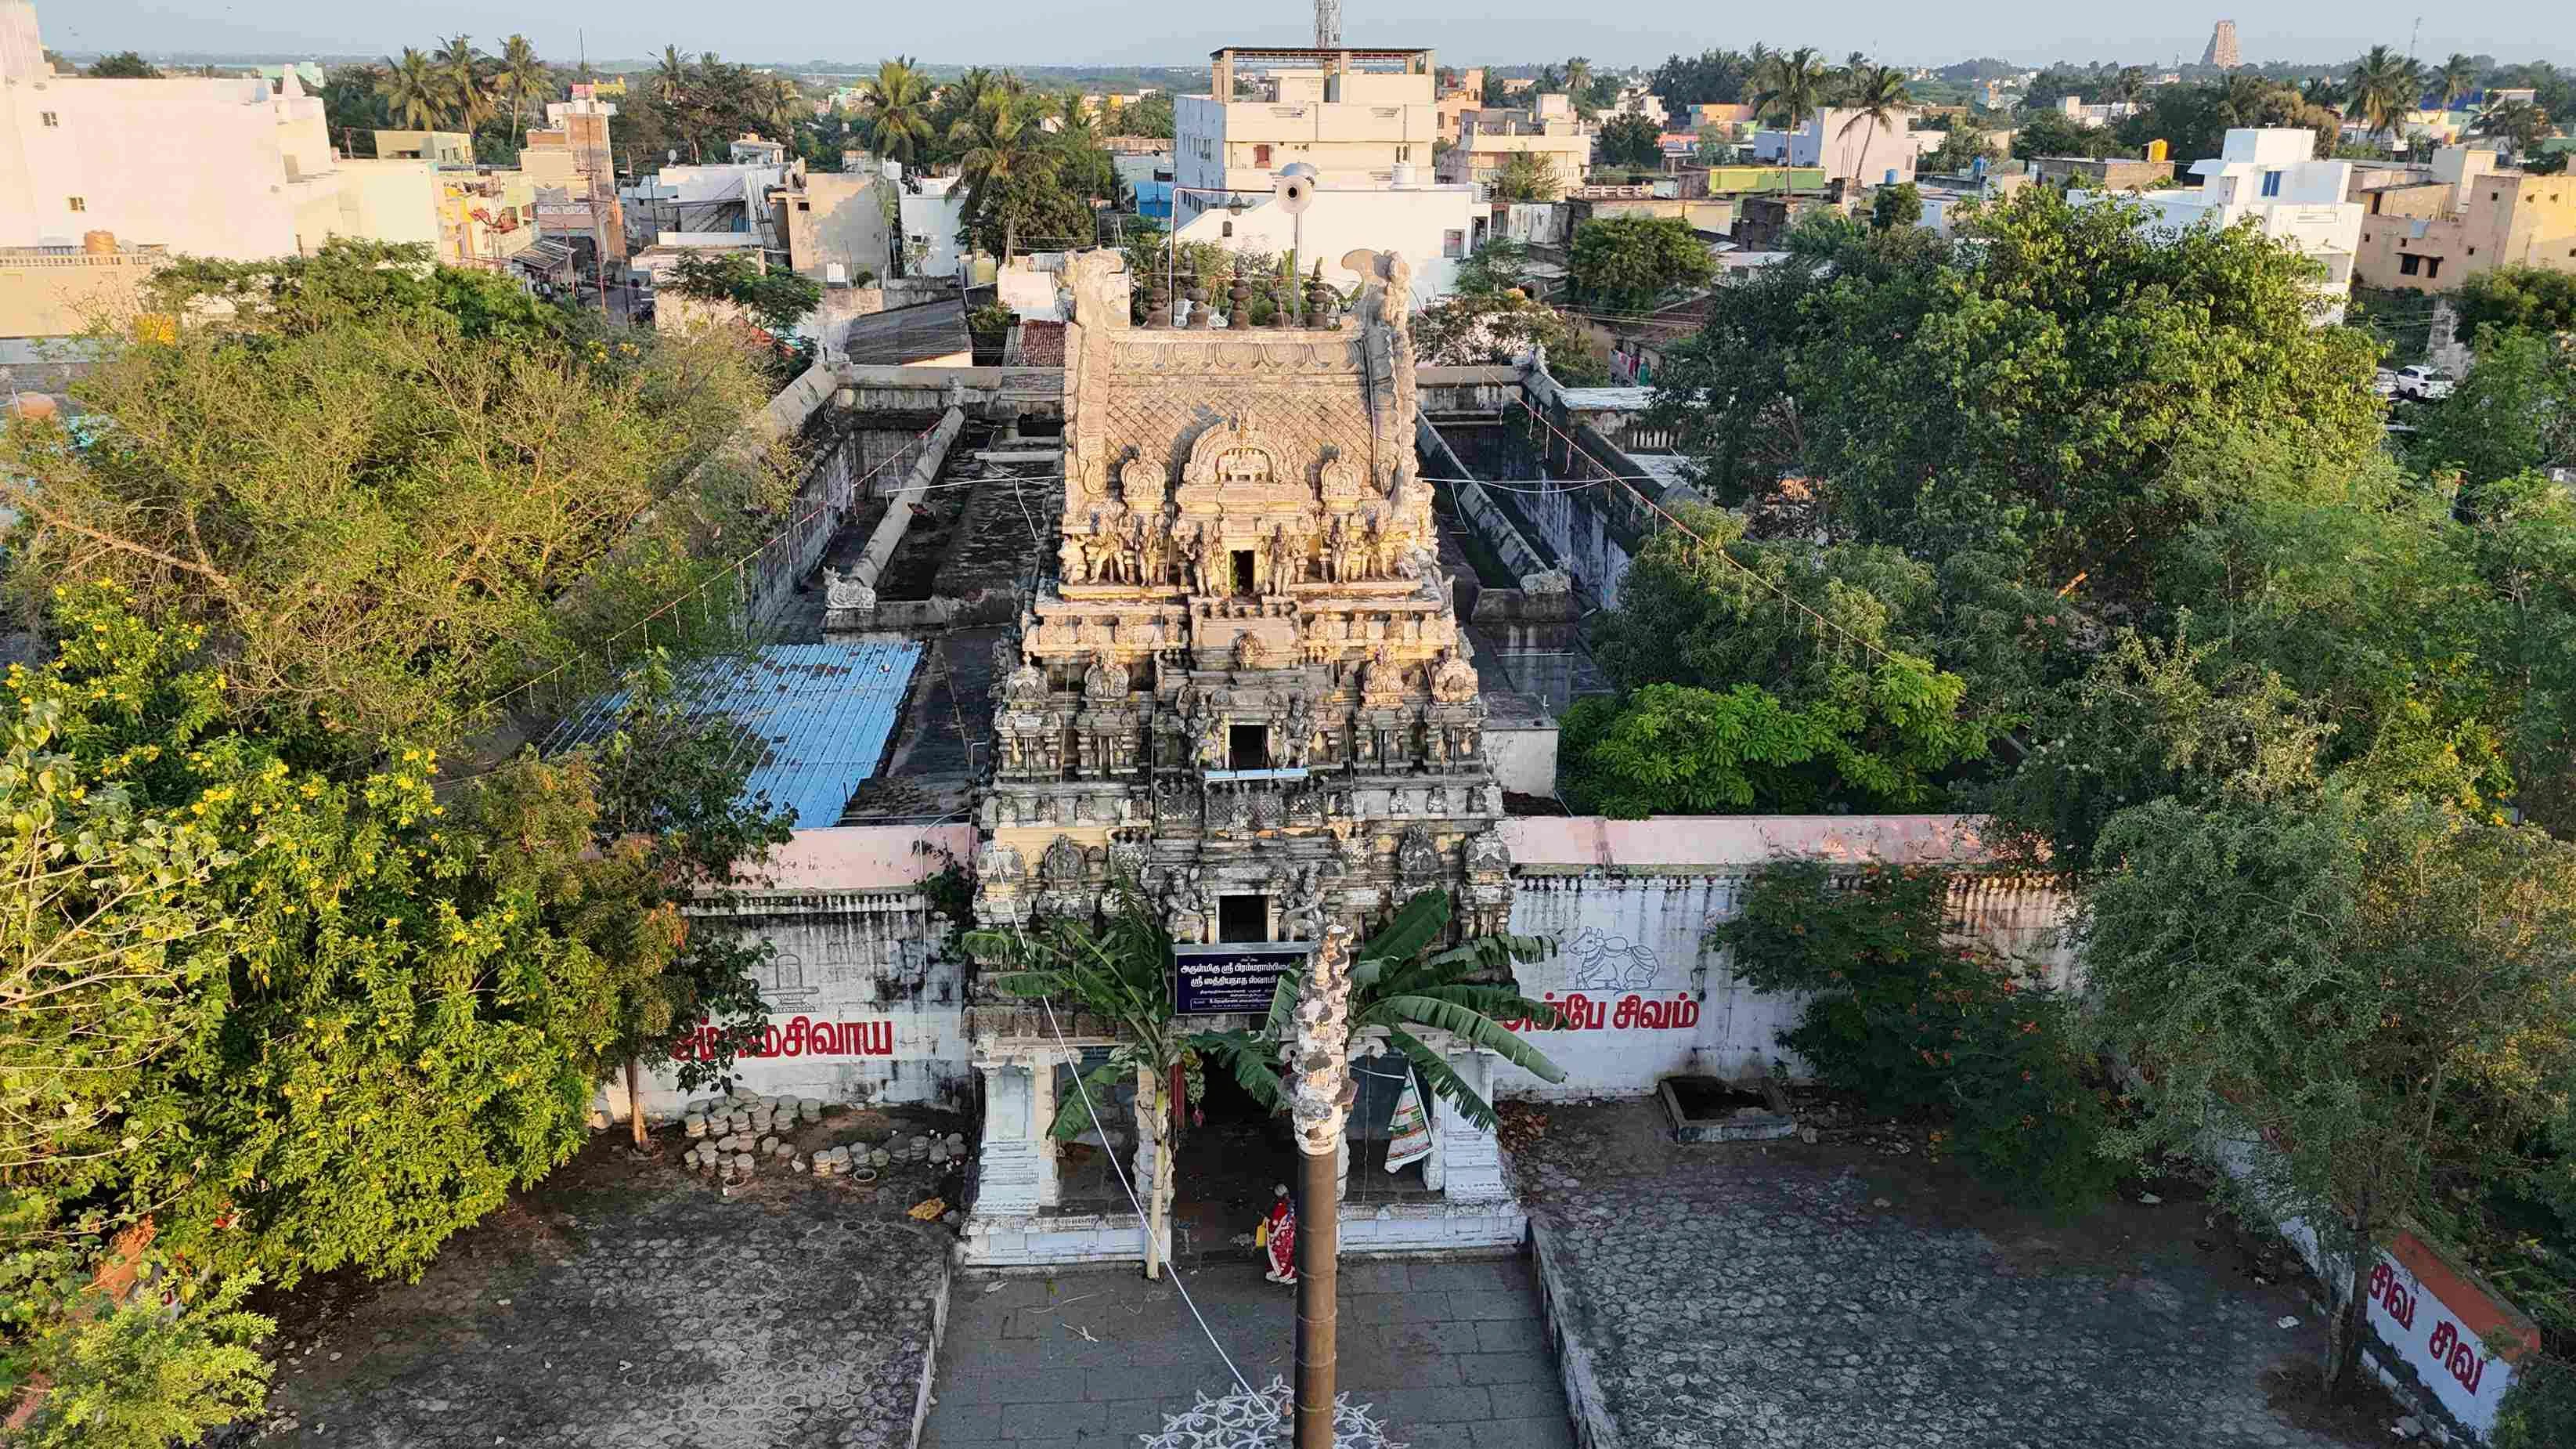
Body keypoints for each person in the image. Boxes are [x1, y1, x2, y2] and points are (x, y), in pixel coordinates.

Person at [1260, 1183, 1297, 1285]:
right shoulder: (1290, 1204)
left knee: (1278, 1256)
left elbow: (1275, 1223)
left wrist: (1267, 1221)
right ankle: (1280, 1273)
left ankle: (1284, 1276)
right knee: (1286, 1256)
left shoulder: (1280, 1206)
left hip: (1280, 1238)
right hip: (1288, 1236)